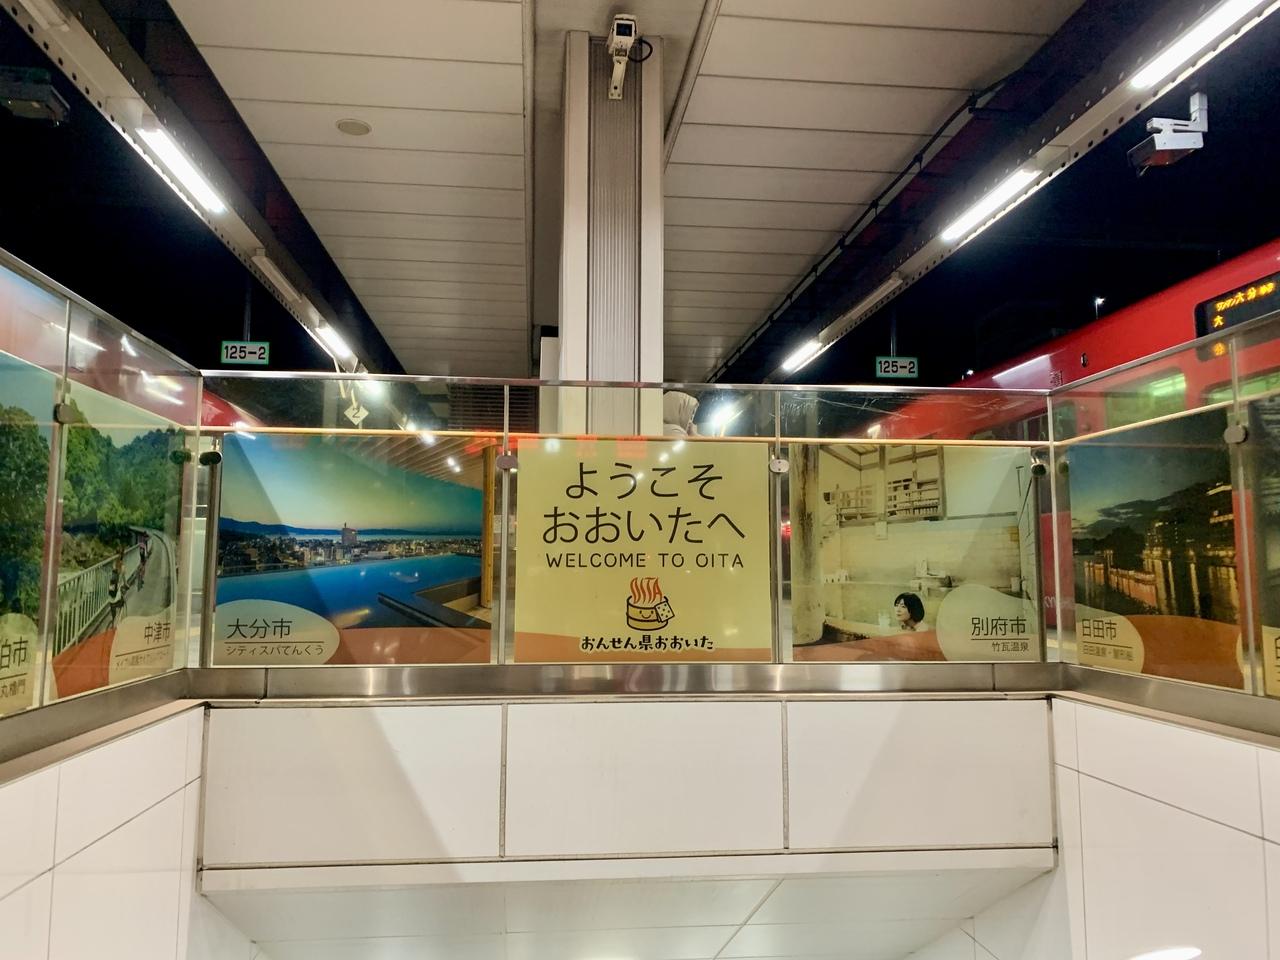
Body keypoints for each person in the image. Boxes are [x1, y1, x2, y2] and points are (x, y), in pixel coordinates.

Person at [107, 552, 127, 627]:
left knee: (112, 605)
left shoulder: (114, 565)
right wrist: (126, 585)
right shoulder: (123, 567)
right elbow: (124, 579)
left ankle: (113, 622)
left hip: (111, 590)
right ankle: (117, 623)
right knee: (122, 602)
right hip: (117, 591)